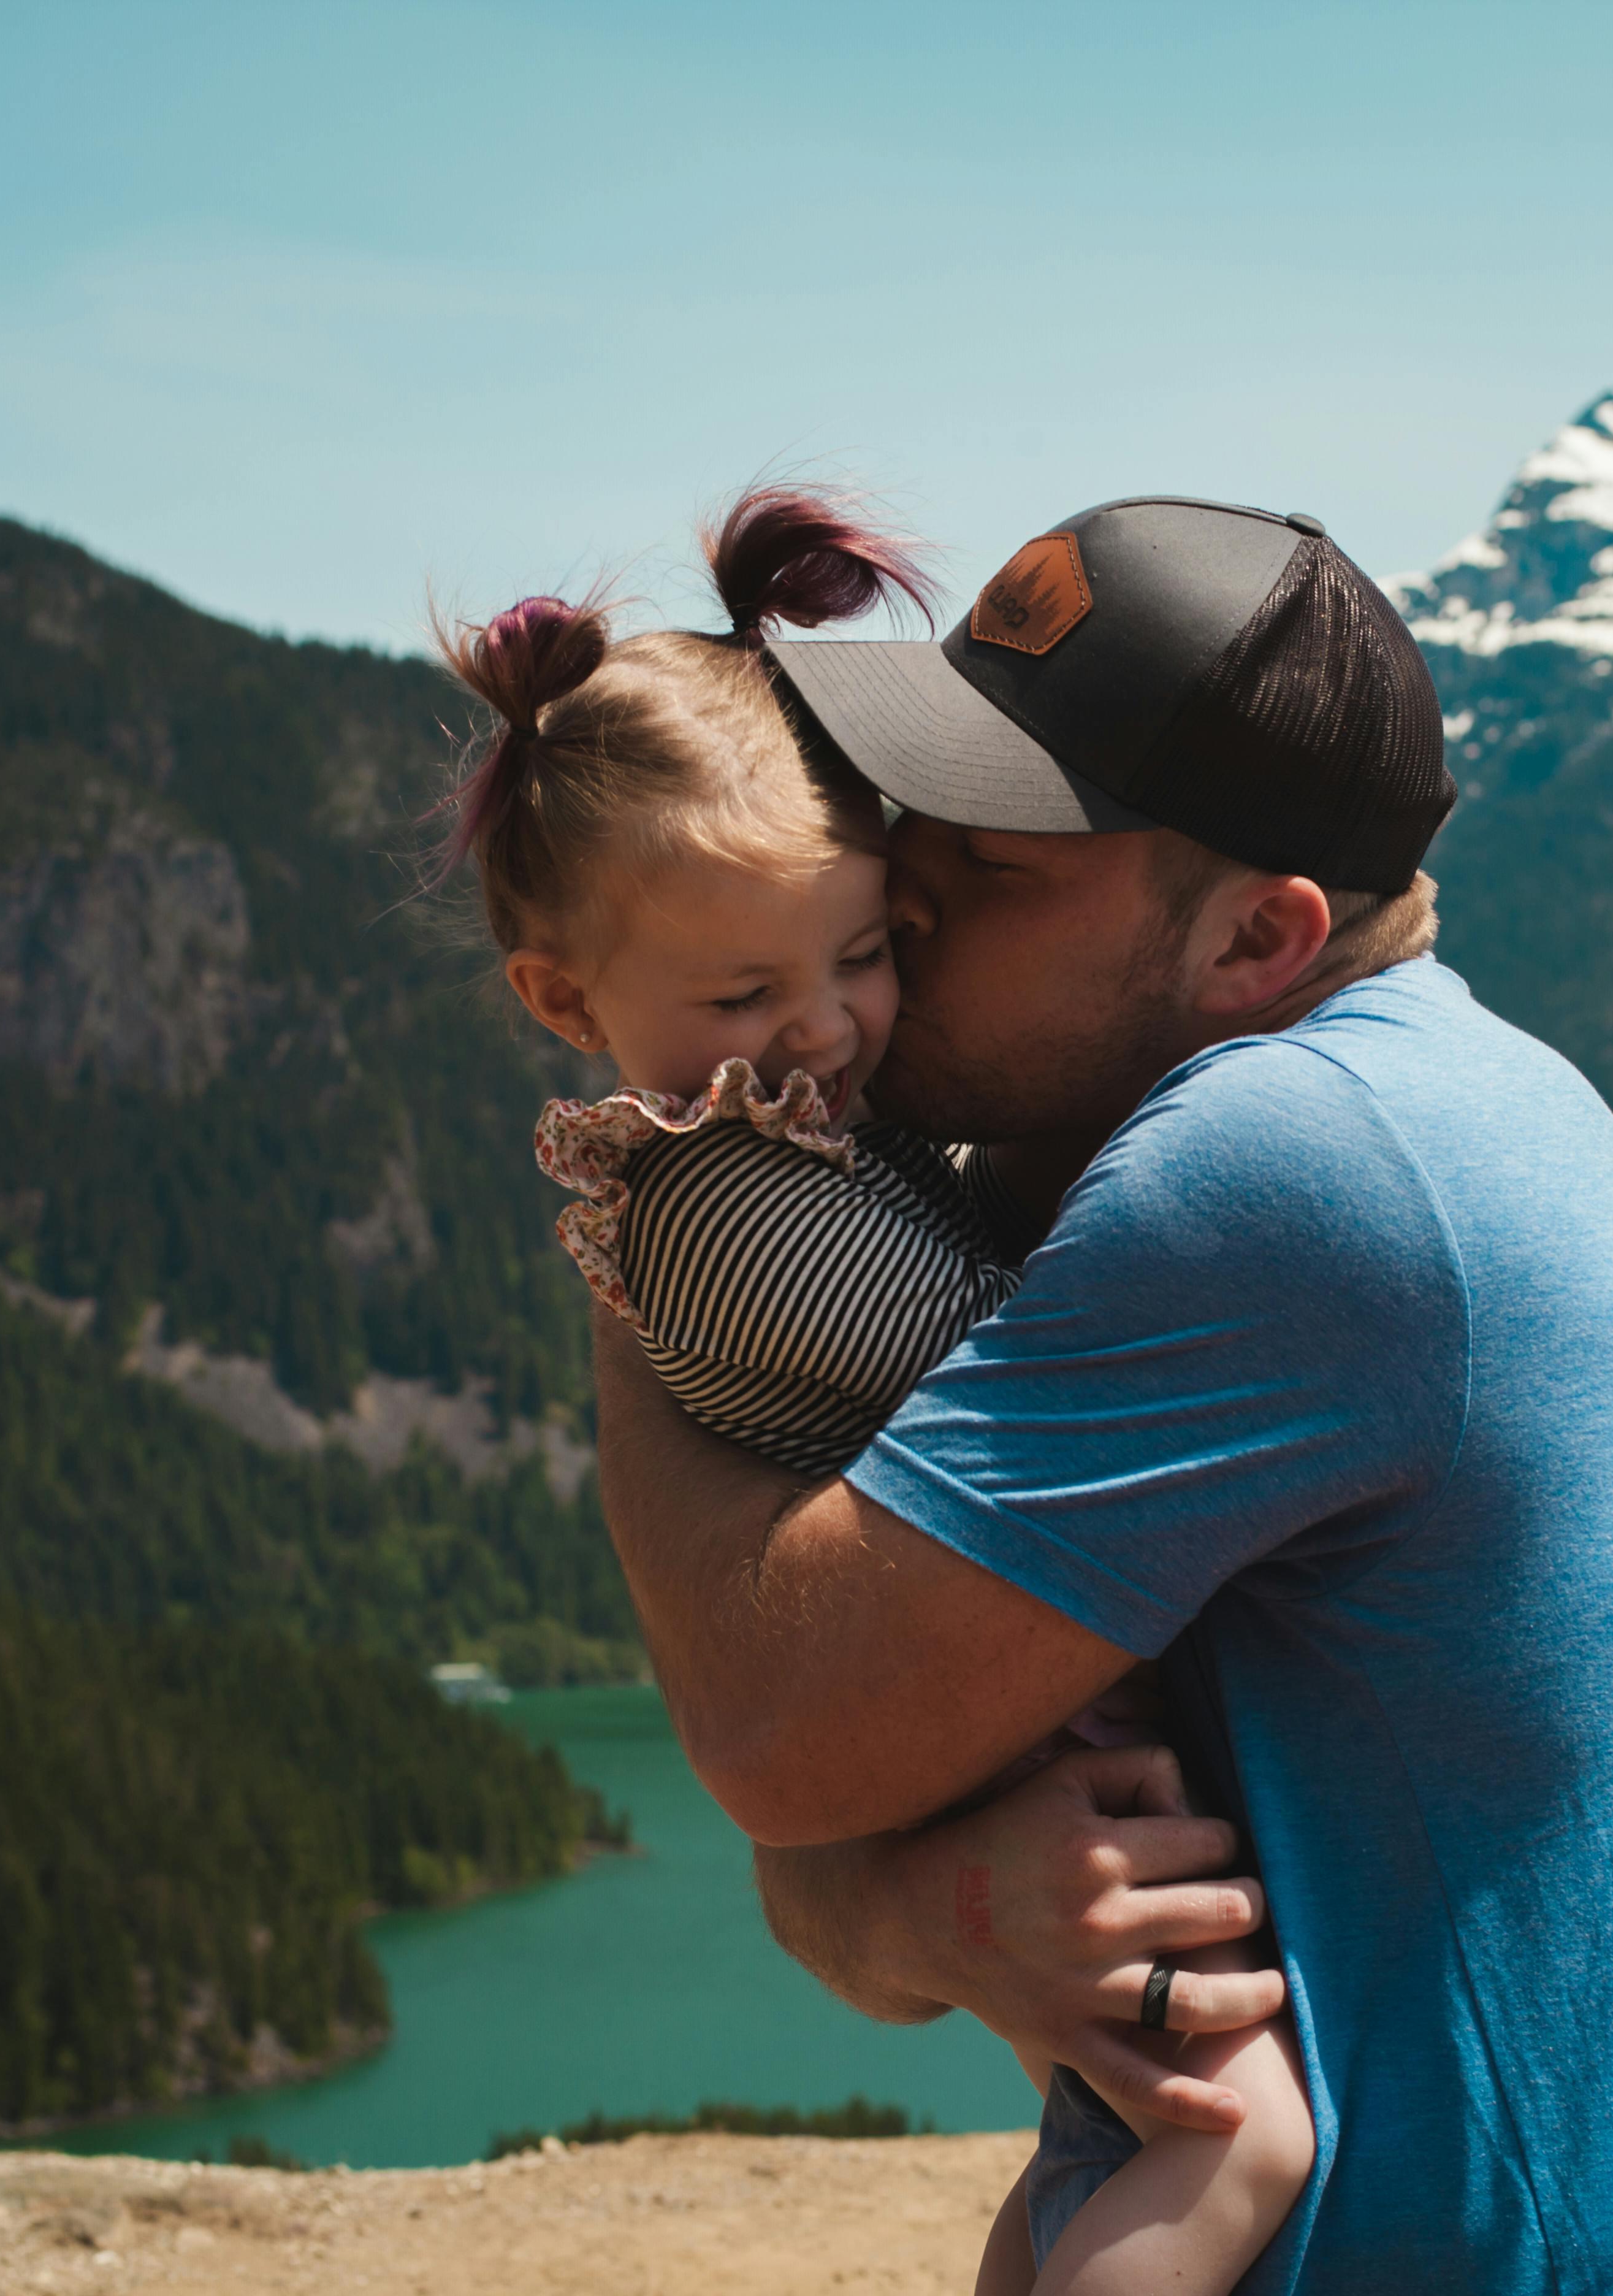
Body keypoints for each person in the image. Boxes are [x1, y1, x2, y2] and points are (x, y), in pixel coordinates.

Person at [587, 496, 1613, 2292]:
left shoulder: (1291, 1167)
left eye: (1003, 853)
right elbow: (845, 1828)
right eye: (920, 803)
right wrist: (937, 1906)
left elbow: (784, 1736)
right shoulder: (1444, 1092)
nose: (905, 882)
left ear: (1261, 939)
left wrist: (656, 1191)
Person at [433, 485, 1314, 2296]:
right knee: (1238, 2134)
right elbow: (1008, 1357)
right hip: (1005, 1727)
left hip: (981, 1705)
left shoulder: (769, 1131)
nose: (830, 1028)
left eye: (867, 952)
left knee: (1113, 2128)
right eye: (753, 988)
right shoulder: (731, 1201)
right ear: (557, 994)